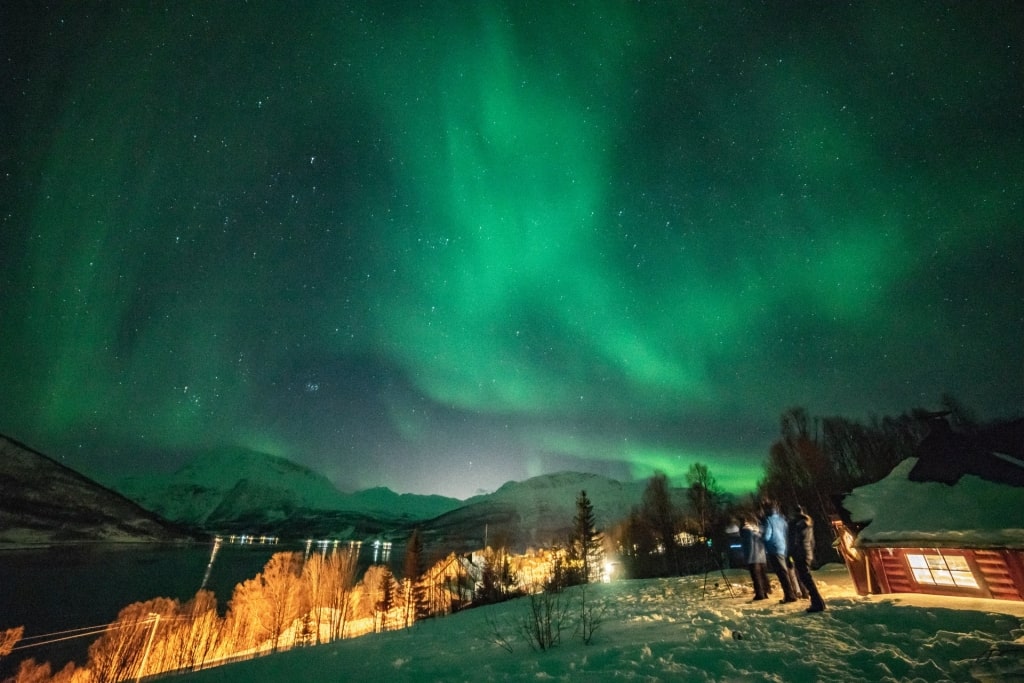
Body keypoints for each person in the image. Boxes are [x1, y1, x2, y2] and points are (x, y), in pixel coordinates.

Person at [760, 499, 798, 603]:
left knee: (782, 573)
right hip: (784, 547)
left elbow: (767, 536)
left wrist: (761, 536)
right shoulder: (782, 519)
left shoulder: (768, 520)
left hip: (774, 549)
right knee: (787, 571)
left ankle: (789, 595)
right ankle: (794, 592)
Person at [790, 505, 826, 613]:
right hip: (807, 552)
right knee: (807, 578)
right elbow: (812, 541)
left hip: (799, 554)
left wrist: (790, 554)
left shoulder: (795, 524)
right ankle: (819, 602)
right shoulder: (808, 522)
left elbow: (793, 542)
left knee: (806, 579)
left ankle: (817, 603)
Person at [739, 515, 770, 600]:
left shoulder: (746, 530)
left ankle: (759, 594)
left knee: (756, 577)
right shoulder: (759, 530)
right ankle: (765, 592)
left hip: (752, 556)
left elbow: (748, 544)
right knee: (762, 575)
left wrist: (747, 556)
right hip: (762, 556)